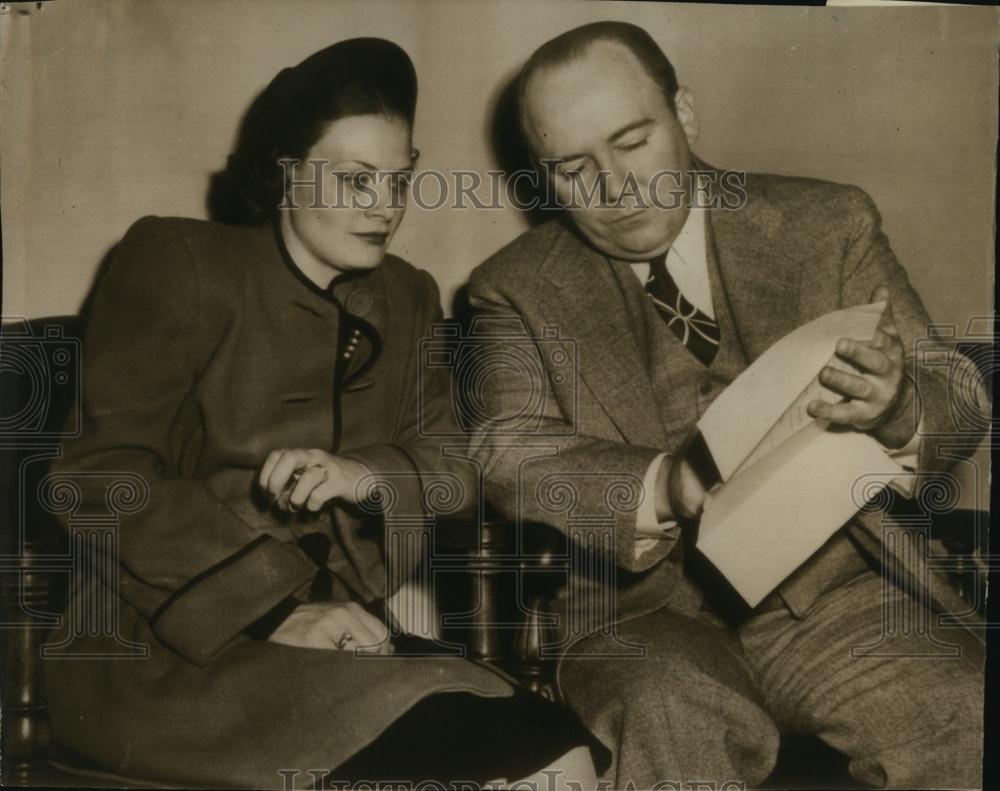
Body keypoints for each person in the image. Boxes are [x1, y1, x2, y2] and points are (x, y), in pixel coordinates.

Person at [44, 38, 604, 789]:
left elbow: (454, 469)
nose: (384, 208)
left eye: (399, 180)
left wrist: (360, 475)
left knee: (559, 751)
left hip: (344, 637)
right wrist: (275, 612)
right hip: (166, 652)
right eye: (354, 181)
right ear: (283, 176)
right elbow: (96, 474)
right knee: (500, 759)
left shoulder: (405, 293)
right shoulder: (179, 260)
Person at [467, 21, 986, 790]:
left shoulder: (827, 222)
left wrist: (900, 402)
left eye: (633, 141)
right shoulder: (512, 286)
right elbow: (506, 452)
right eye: (573, 168)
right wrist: (665, 483)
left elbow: (961, 392)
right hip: (638, 618)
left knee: (966, 715)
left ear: (685, 114)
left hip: (835, 597)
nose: (616, 188)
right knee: (668, 714)